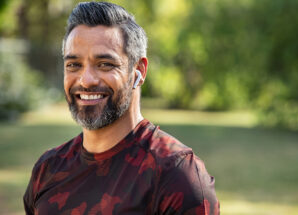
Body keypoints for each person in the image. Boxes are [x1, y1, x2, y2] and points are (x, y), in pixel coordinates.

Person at [23, 2, 219, 214]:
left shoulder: (176, 175)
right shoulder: (48, 169)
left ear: (139, 71)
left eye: (105, 64)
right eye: (74, 65)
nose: (86, 80)